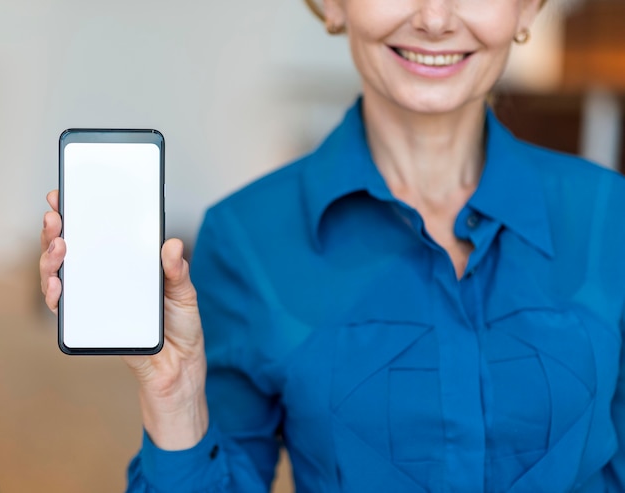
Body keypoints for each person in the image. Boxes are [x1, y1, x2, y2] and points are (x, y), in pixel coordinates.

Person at [40, 0, 625, 491]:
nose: (436, 18)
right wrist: (173, 397)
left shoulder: (610, 215)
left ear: (527, 7)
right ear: (331, 5)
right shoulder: (245, 238)